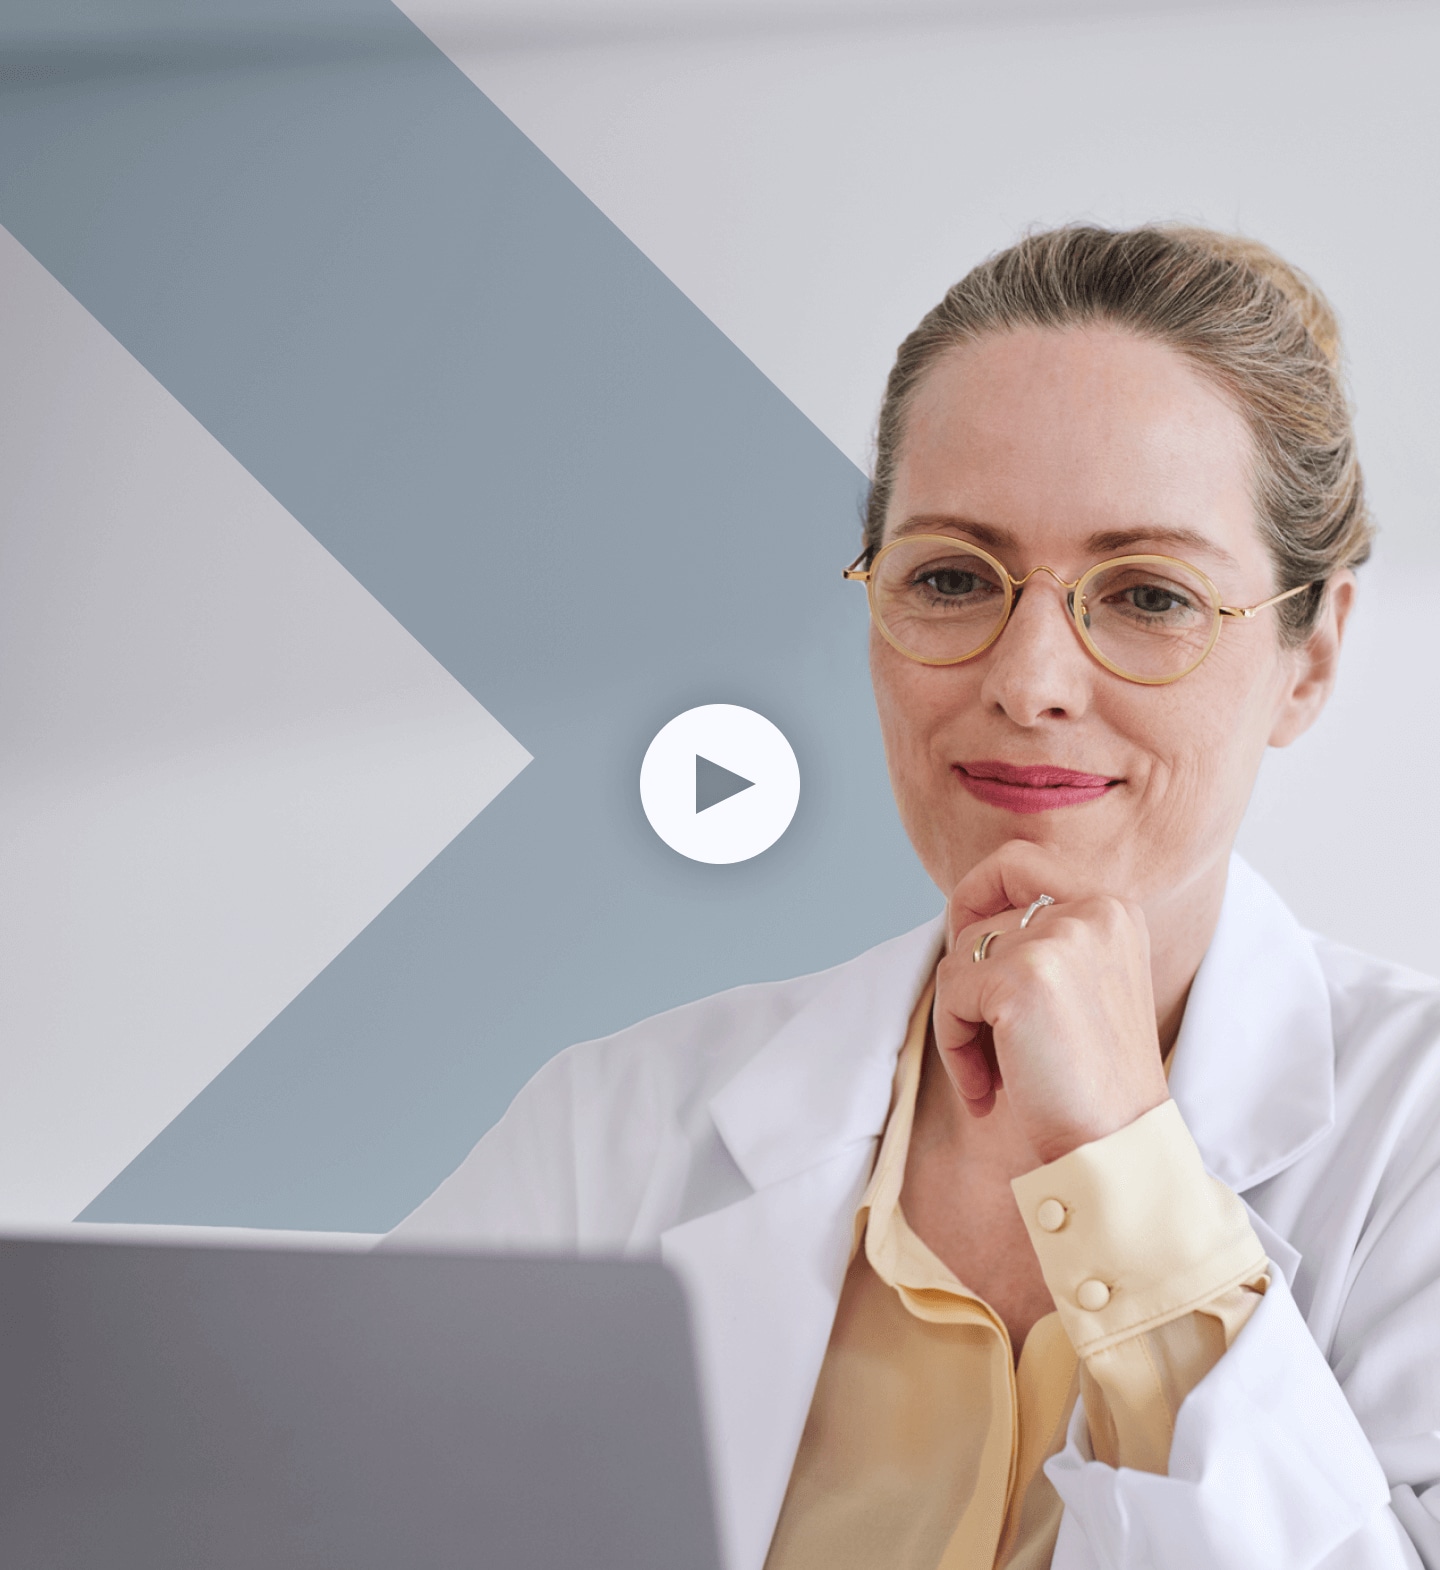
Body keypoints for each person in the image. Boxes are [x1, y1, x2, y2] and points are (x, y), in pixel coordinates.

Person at [385, 225, 1440, 1570]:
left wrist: (1126, 1163)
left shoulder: (1416, 1142)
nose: (1031, 679)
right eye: (950, 577)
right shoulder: (610, 1133)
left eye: (1148, 594)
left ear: (1313, 653)